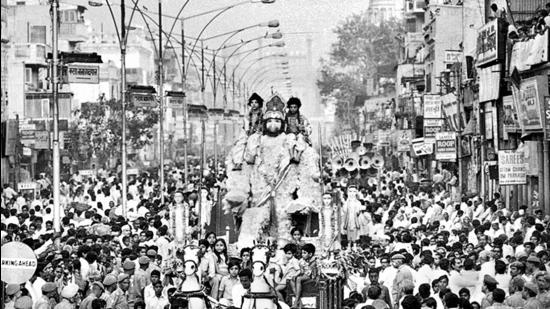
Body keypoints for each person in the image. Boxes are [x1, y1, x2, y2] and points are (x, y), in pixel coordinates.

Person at [291, 243, 318, 308]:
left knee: (298, 279)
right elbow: (301, 271)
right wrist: (296, 274)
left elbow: (309, 273)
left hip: (311, 276)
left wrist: (300, 275)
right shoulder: (302, 261)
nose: (302, 254)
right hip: (305, 274)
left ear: (310, 254)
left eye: (304, 253)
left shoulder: (313, 261)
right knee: (292, 280)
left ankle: (296, 301)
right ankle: (298, 300)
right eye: (302, 253)